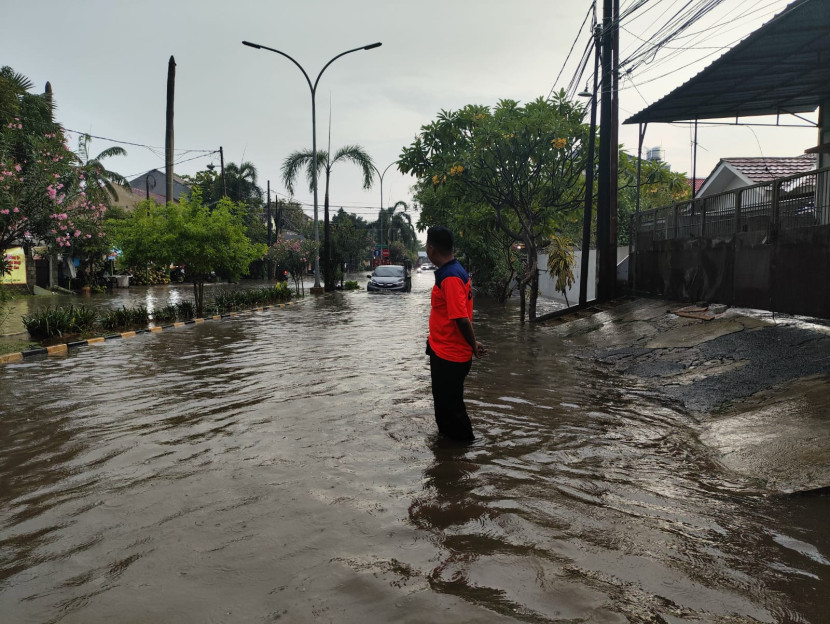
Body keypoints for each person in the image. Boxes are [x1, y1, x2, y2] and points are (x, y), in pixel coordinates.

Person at [424, 226, 487, 441]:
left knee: (452, 410)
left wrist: (472, 344)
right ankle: (447, 457)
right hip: (445, 351)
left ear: (431, 249)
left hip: (449, 356)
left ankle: (464, 452)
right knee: (445, 408)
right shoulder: (455, 270)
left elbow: (461, 318)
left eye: (426, 244)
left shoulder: (450, 277)